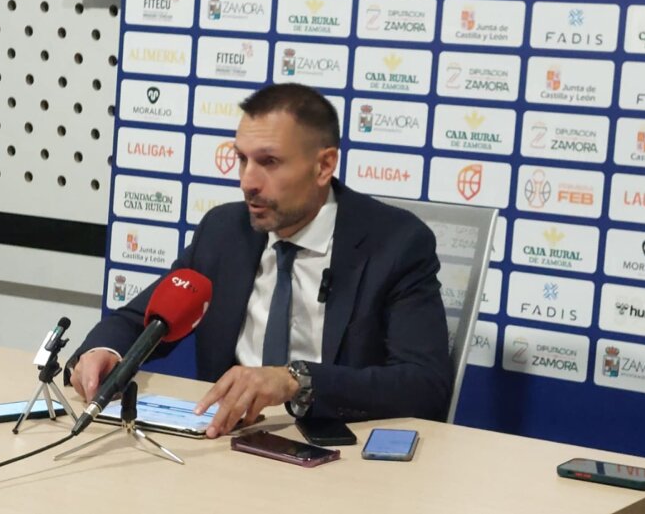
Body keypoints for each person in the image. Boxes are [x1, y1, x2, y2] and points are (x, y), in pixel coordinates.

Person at [68, 83, 453, 438]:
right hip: (226, 441)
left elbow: (425, 384)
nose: (248, 182)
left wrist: (296, 381)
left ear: (323, 166)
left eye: (269, 162)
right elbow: (144, 321)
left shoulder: (396, 244)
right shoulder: (224, 232)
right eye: (242, 159)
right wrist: (104, 351)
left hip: (336, 450)